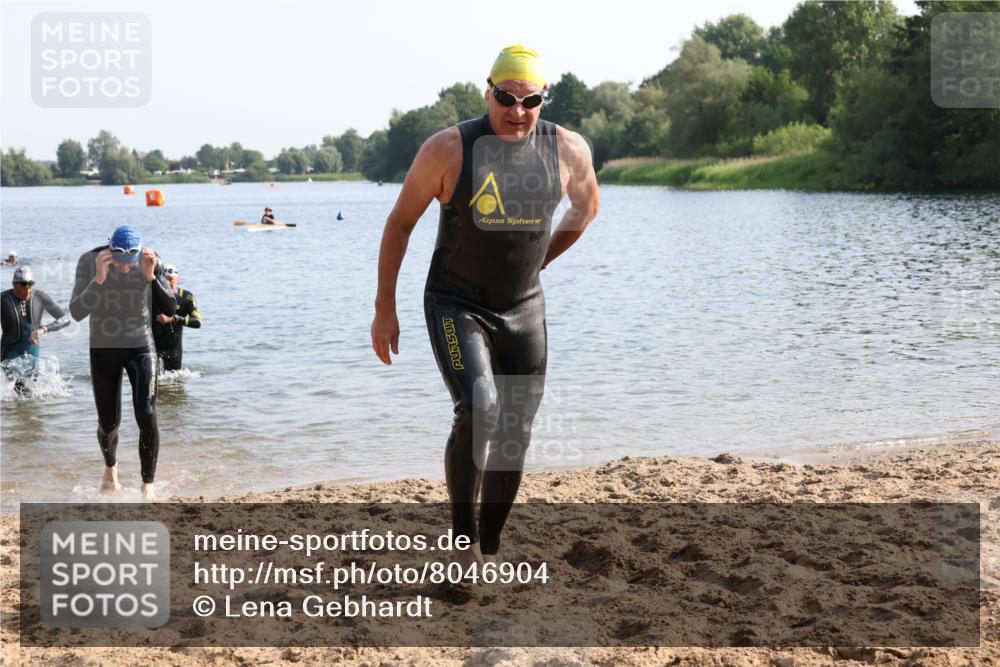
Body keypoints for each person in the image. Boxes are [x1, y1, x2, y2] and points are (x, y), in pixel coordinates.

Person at [371, 44, 600, 566]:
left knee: (515, 430)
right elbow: (399, 224)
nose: (516, 111)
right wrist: (385, 308)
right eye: (505, 97)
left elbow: (586, 209)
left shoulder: (568, 150)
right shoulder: (449, 149)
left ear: (544, 99)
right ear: (487, 91)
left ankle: (488, 548)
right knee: (479, 408)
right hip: (457, 304)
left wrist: (539, 261)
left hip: (523, 308)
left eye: (530, 99)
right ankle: (461, 542)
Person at [70, 225, 175, 499]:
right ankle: (110, 468)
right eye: (121, 262)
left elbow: (170, 308)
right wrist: (99, 279)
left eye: (132, 262)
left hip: (141, 344)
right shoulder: (89, 262)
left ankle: (147, 485)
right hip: (104, 348)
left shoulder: (150, 260)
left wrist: (152, 277)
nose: (127, 268)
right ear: (109, 251)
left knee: (147, 412)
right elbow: (77, 312)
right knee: (109, 422)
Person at [1, 266, 70, 395]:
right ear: (14, 284)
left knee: (33, 394)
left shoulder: (40, 297)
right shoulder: (3, 300)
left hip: (33, 356)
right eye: (23, 288)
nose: (28, 291)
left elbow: (65, 319)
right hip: (10, 356)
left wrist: (44, 329)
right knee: (20, 390)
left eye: (30, 287)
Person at [152, 263, 202, 372]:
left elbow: (198, 322)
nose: (167, 283)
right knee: (152, 383)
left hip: (174, 351)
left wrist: (174, 319)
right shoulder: (151, 295)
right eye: (164, 280)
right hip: (153, 349)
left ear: (177, 280)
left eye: (171, 279)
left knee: (174, 384)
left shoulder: (186, 296)